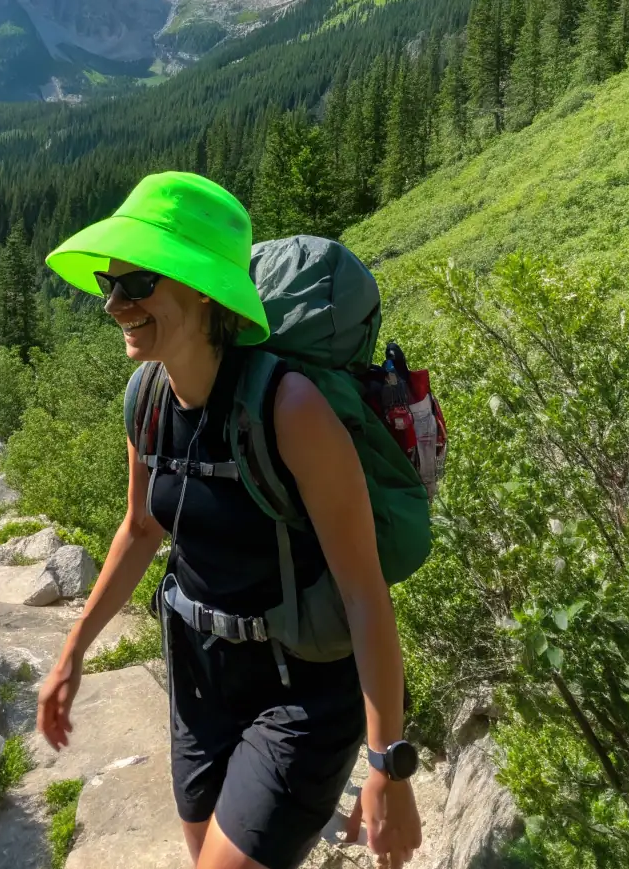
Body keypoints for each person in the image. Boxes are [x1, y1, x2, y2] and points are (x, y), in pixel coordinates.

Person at [37, 172, 422, 869]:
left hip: (302, 688)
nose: (114, 305)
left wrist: (387, 766)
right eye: (107, 284)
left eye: (137, 284)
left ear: (206, 290)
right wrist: (73, 652)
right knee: (204, 853)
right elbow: (140, 529)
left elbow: (364, 591)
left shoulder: (290, 408)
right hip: (199, 676)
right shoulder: (146, 397)